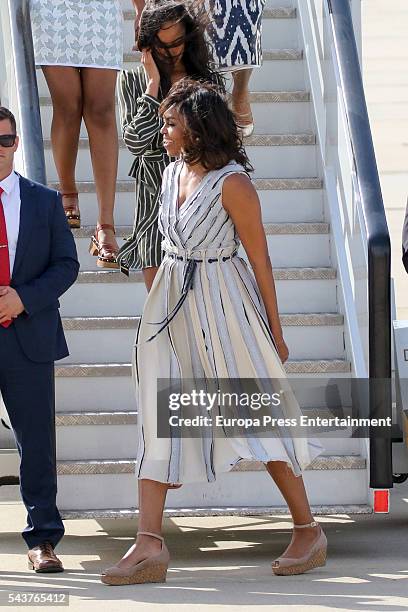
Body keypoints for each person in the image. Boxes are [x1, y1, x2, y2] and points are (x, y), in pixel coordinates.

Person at [100, 80, 327, 586]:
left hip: (226, 303)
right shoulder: (170, 173)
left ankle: (308, 529)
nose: (164, 132)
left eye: (171, 124)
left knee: (256, 413)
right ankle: (149, 544)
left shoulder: (234, 184)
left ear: (198, 130)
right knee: (157, 413)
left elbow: (260, 258)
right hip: (171, 302)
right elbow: (161, 241)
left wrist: (276, 327)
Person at [0, 107, 79, 572]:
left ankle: (43, 540)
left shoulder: (44, 201)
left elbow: (66, 265)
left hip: (27, 335)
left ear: (15, 143)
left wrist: (22, 300)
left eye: (5, 139)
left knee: (36, 442)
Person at [116, 0, 222, 288]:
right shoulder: (132, 81)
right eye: (162, 46)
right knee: (159, 314)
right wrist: (153, 84)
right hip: (153, 206)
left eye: (178, 42)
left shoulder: (207, 81)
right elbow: (135, 142)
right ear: (148, 46)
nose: (173, 52)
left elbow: (220, 141)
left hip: (202, 202)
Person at [29, 0, 123, 267]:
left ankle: (106, 224)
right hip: (54, 8)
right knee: (68, 106)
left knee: (102, 110)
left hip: (101, 10)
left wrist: (140, 10)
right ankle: (67, 193)